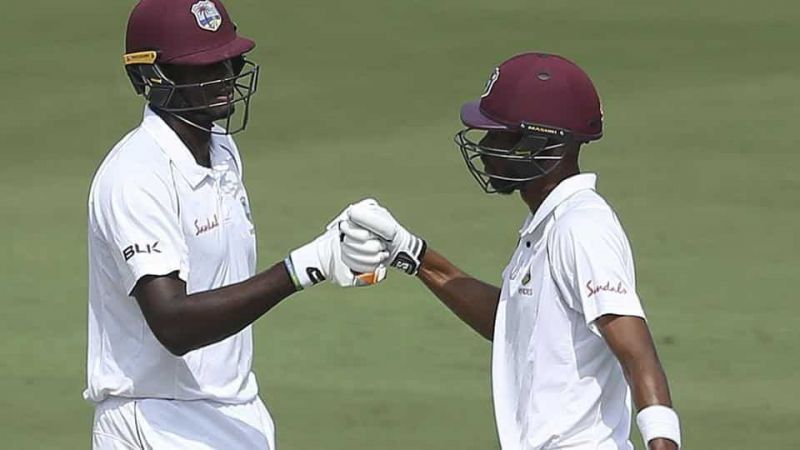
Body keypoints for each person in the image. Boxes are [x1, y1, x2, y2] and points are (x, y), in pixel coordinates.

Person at [340, 53, 681, 449]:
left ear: (541, 143)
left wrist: (663, 443)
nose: (485, 148)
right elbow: (513, 323)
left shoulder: (581, 227)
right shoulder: (548, 224)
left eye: (499, 136)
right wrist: (411, 253)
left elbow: (638, 355)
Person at [85, 1, 386, 448]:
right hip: (158, 421)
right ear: (148, 77)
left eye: (231, 59)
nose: (225, 75)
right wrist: (303, 268)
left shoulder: (221, 149)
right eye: (203, 64)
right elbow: (173, 324)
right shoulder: (135, 176)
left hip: (234, 413)